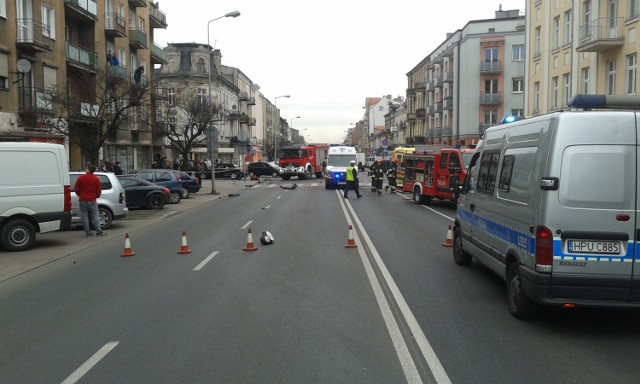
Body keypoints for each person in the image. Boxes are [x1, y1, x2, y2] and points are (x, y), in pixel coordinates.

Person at [74, 164, 105, 237]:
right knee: (95, 215)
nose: (85, 169)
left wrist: (80, 194)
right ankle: (98, 231)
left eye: (86, 168)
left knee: (84, 216)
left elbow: (76, 189)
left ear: (88, 170)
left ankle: (88, 232)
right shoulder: (96, 179)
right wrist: (95, 196)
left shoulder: (81, 178)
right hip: (92, 199)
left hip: (82, 199)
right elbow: (98, 191)